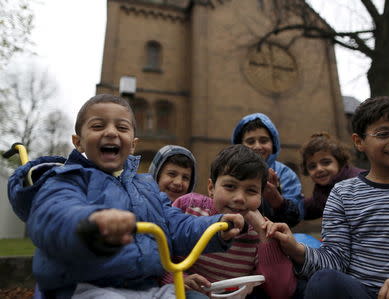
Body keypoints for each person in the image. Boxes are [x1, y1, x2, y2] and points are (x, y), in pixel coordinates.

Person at [7, 94, 244, 299]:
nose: (111, 132)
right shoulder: (67, 178)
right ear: (78, 142)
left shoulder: (147, 187)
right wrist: (91, 224)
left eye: (121, 128)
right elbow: (55, 213)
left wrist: (216, 225)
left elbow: (176, 222)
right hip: (87, 287)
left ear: (132, 145)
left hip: (148, 287)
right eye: (98, 126)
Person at [266, 96, 389, 299]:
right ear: (359, 142)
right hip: (363, 294)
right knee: (324, 281)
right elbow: (335, 259)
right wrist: (296, 249)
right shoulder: (343, 194)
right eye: (384, 133)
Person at [162, 144, 297, 298]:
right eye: (230, 186)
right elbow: (157, 255)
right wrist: (177, 280)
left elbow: (282, 291)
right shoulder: (188, 206)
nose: (239, 198)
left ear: (261, 196)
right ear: (211, 188)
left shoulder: (260, 233)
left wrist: (264, 235)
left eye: (251, 190)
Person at [231, 112, 304, 227]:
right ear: (240, 145)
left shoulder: (285, 174)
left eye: (264, 141)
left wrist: (277, 200)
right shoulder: (231, 171)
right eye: (250, 142)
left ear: (273, 143)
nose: (258, 146)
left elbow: (296, 216)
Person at [300, 132, 364, 220]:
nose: (319, 169)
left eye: (326, 162)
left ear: (339, 162)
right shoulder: (322, 191)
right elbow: (307, 208)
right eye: (312, 166)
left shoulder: (359, 183)